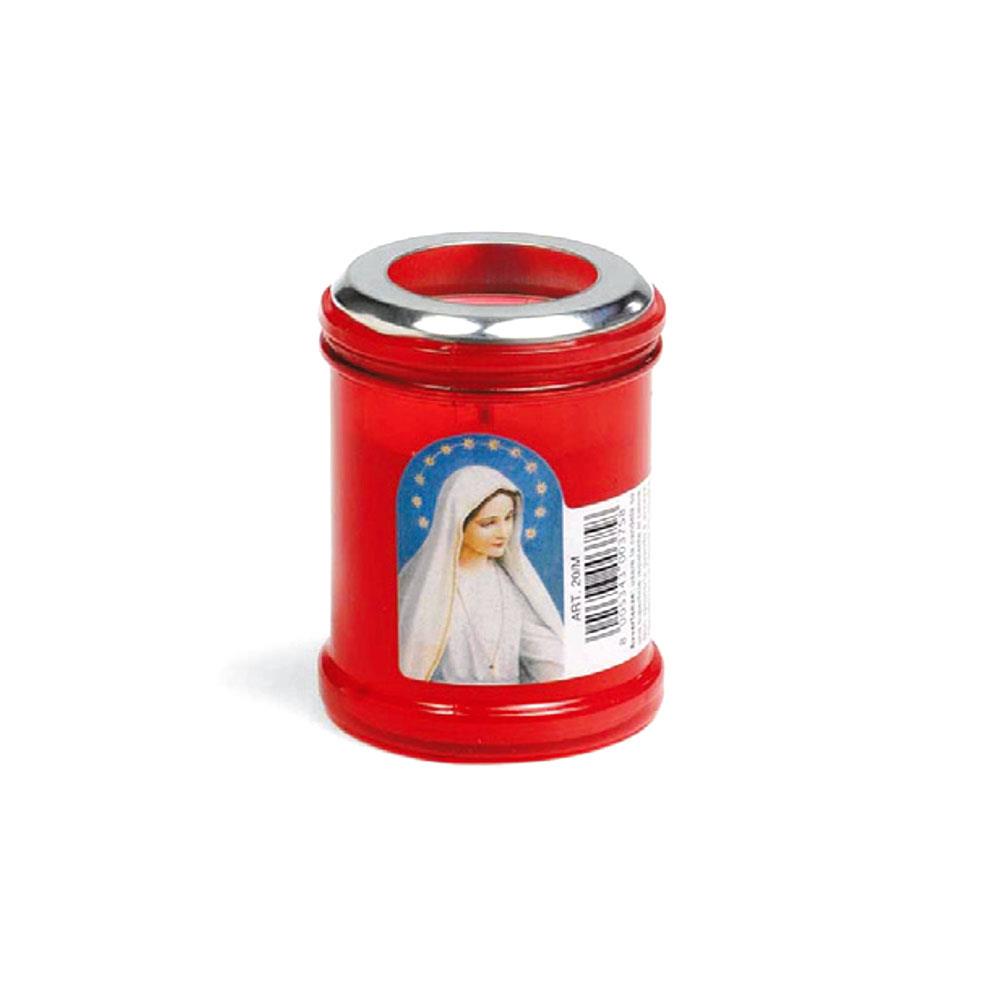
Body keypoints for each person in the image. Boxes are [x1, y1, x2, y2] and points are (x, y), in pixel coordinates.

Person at [398, 465, 564, 683]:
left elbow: (546, 653)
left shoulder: (510, 585)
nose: (503, 532)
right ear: (459, 524)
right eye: (488, 523)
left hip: (508, 701)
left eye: (509, 518)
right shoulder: (428, 586)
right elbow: (413, 664)